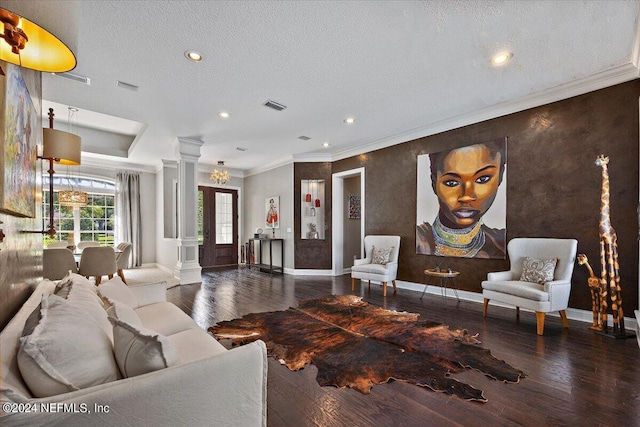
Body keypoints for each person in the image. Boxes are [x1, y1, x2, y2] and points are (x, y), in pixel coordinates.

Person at [416, 139, 506, 258]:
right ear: (434, 183)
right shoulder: (418, 240)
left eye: (482, 179)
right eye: (452, 182)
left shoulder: (501, 245)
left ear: (500, 176)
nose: (466, 197)